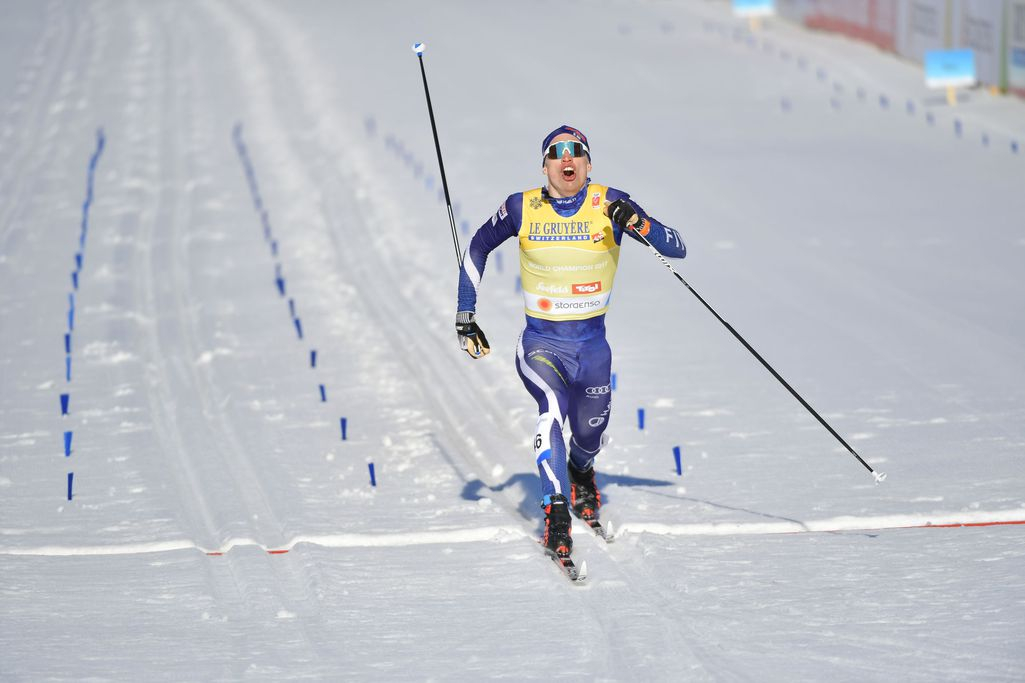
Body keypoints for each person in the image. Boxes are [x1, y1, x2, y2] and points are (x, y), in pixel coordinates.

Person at [455, 125, 686, 560]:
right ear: (545, 166)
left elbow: (678, 248)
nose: (568, 159)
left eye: (576, 152)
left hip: (593, 349)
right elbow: (476, 247)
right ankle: (556, 511)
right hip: (541, 344)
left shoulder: (610, 202)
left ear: (588, 163)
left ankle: (582, 472)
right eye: (556, 153)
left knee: (589, 434)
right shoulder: (521, 207)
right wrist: (466, 314)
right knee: (551, 414)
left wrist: (638, 222)